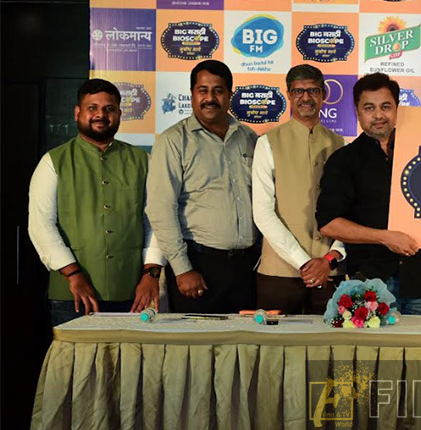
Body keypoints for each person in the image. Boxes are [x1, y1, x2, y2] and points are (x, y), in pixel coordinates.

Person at [28, 78, 163, 326]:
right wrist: (73, 274)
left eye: (109, 109)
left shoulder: (143, 161)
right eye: (92, 108)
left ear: (119, 114)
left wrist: (151, 274)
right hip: (72, 295)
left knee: (130, 353)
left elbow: (155, 222)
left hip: (132, 293)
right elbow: (41, 225)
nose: (101, 115)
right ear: (77, 113)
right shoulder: (53, 162)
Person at [316, 73, 421, 314]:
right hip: (371, 284)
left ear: (397, 108)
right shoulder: (344, 161)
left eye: (386, 106)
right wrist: (385, 237)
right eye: (369, 108)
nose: (379, 115)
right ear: (357, 112)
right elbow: (328, 224)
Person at [147, 60, 260, 313]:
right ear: (192, 94)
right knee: (196, 338)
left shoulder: (249, 138)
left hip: (246, 269)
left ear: (229, 95)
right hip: (197, 267)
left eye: (218, 90)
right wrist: (182, 269)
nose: (210, 98)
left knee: (243, 338)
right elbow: (160, 209)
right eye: (203, 90)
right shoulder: (173, 141)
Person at [252, 64, 346, 314]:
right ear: (289, 95)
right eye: (298, 91)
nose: (306, 98)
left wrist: (330, 259)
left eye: (313, 90)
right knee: (275, 340)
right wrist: (304, 263)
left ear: (323, 94)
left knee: (331, 340)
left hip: (330, 272)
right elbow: (262, 213)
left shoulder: (341, 144)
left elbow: (350, 211)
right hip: (279, 273)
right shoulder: (267, 143)